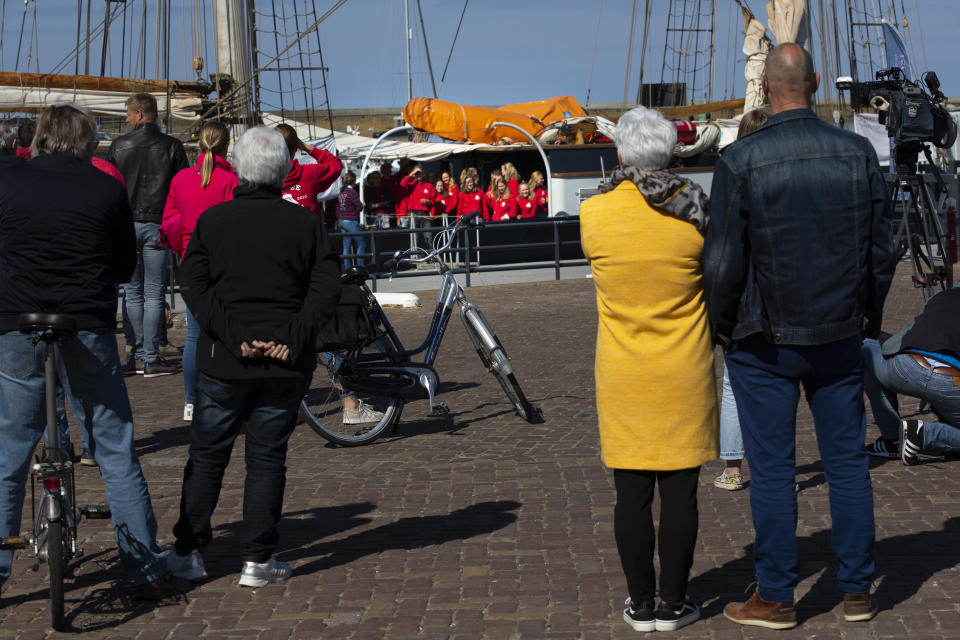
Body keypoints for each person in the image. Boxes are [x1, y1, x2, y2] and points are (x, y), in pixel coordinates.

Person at [703, 44, 894, 628]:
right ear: (814, 82)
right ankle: (858, 588)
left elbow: (723, 263)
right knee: (845, 464)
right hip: (838, 333)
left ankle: (779, 594)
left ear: (762, 85)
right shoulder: (858, 153)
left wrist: (723, 327)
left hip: (766, 338)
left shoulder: (739, 160)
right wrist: (866, 315)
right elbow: (881, 253)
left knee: (774, 469)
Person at [0, 104, 187, 600]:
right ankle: (145, 567)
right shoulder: (106, 188)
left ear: (39, 137)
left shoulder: (7, 183)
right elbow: (124, 265)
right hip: (86, 325)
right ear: (87, 142)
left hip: (16, 325)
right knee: (112, 447)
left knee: (10, 453)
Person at [167, 126, 341, 587]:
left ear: (239, 168)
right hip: (283, 362)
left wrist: (233, 335)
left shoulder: (214, 221)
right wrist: (292, 334)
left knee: (207, 456)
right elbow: (326, 287)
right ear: (283, 170)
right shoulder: (305, 224)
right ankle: (257, 560)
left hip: (226, 359)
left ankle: (188, 552)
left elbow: (193, 284)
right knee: (266, 457)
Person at [580, 105, 718, 633]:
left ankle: (640, 602)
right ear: (671, 152)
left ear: (619, 153)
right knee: (681, 491)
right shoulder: (696, 213)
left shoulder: (595, 214)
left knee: (631, 493)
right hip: (683, 367)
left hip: (623, 371)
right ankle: (675, 602)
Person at [160, 121, 238, 423]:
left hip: (190, 259)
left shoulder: (180, 179)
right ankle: (227, 394)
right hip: (221, 260)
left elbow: (171, 218)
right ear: (225, 146)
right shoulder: (229, 180)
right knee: (225, 330)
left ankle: (191, 401)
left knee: (194, 334)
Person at [106, 92, 188, 378]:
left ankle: (137, 352)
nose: (127, 118)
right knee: (154, 293)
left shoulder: (119, 146)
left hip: (127, 225)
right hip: (158, 223)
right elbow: (182, 189)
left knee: (132, 292)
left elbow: (110, 188)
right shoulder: (172, 146)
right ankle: (150, 357)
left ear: (140, 114)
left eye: (128, 113)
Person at [713, 108, 769, 492]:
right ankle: (773, 467)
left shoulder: (732, 180)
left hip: (742, 298)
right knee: (779, 387)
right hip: (781, 297)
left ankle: (732, 467)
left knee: (734, 386)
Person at [863, 287, 960, 464]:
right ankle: (925, 434)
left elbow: (908, 333)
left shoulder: (940, 296)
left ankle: (892, 439)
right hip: (951, 382)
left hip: (905, 366)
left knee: (866, 349)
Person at [275, 123, 343, 216]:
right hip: (309, 229)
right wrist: (307, 148)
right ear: (296, 149)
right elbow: (336, 164)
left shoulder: (261, 180)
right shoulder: (310, 173)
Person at [336, 171, 366, 267]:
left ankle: (347, 268)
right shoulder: (352, 192)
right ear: (353, 181)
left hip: (341, 220)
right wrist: (355, 212)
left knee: (347, 246)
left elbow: (338, 207)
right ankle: (360, 266)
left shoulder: (341, 192)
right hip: (350, 220)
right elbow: (359, 206)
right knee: (361, 243)